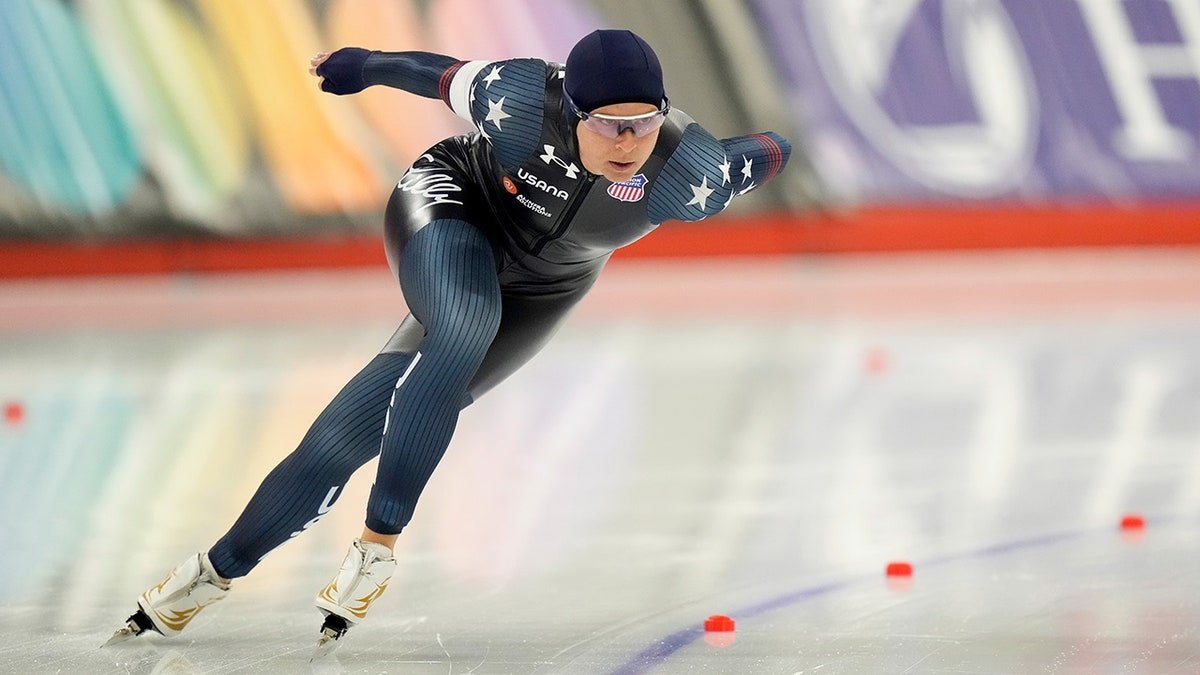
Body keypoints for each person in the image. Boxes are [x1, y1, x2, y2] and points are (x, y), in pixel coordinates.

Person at [105, 29, 790, 657]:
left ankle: (209, 573)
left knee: (345, 436)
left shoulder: (686, 172)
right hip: (453, 206)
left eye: (644, 121)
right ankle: (379, 548)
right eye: (608, 124)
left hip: (548, 288)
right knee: (463, 324)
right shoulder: (520, 98)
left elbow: (753, 156)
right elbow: (436, 75)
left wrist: (778, 145)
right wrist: (365, 67)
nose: (628, 140)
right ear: (570, 111)